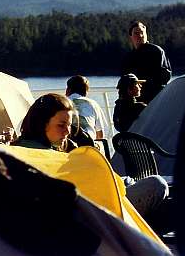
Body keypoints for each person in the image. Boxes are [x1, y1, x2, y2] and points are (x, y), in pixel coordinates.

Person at [13, 93, 167, 220]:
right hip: (93, 217)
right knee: (156, 184)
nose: (67, 132)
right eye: (61, 125)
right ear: (41, 124)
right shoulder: (52, 157)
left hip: (81, 210)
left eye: (69, 125)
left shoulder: (16, 148)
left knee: (130, 182)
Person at [122, 21, 171, 104]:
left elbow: (166, 76)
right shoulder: (129, 57)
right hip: (136, 100)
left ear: (146, 34)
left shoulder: (156, 51)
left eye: (142, 32)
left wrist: (146, 82)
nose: (140, 35)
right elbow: (125, 79)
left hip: (156, 99)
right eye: (136, 33)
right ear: (131, 36)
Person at [65, 75, 108, 140]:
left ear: (68, 90)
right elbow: (99, 134)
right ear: (86, 92)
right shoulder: (93, 104)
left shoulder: (62, 103)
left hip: (67, 145)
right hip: (88, 145)